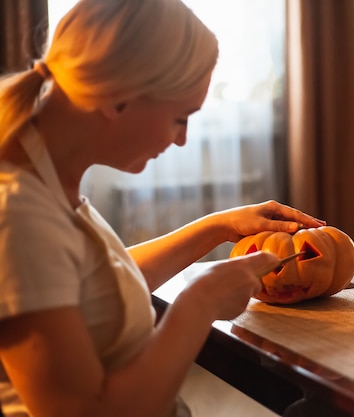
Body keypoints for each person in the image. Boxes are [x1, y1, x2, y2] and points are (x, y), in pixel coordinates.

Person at [0, 1, 325, 416]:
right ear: (118, 99)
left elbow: (94, 289)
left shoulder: (47, 180)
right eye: (180, 118)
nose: (182, 140)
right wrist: (198, 306)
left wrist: (218, 226)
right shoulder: (19, 215)